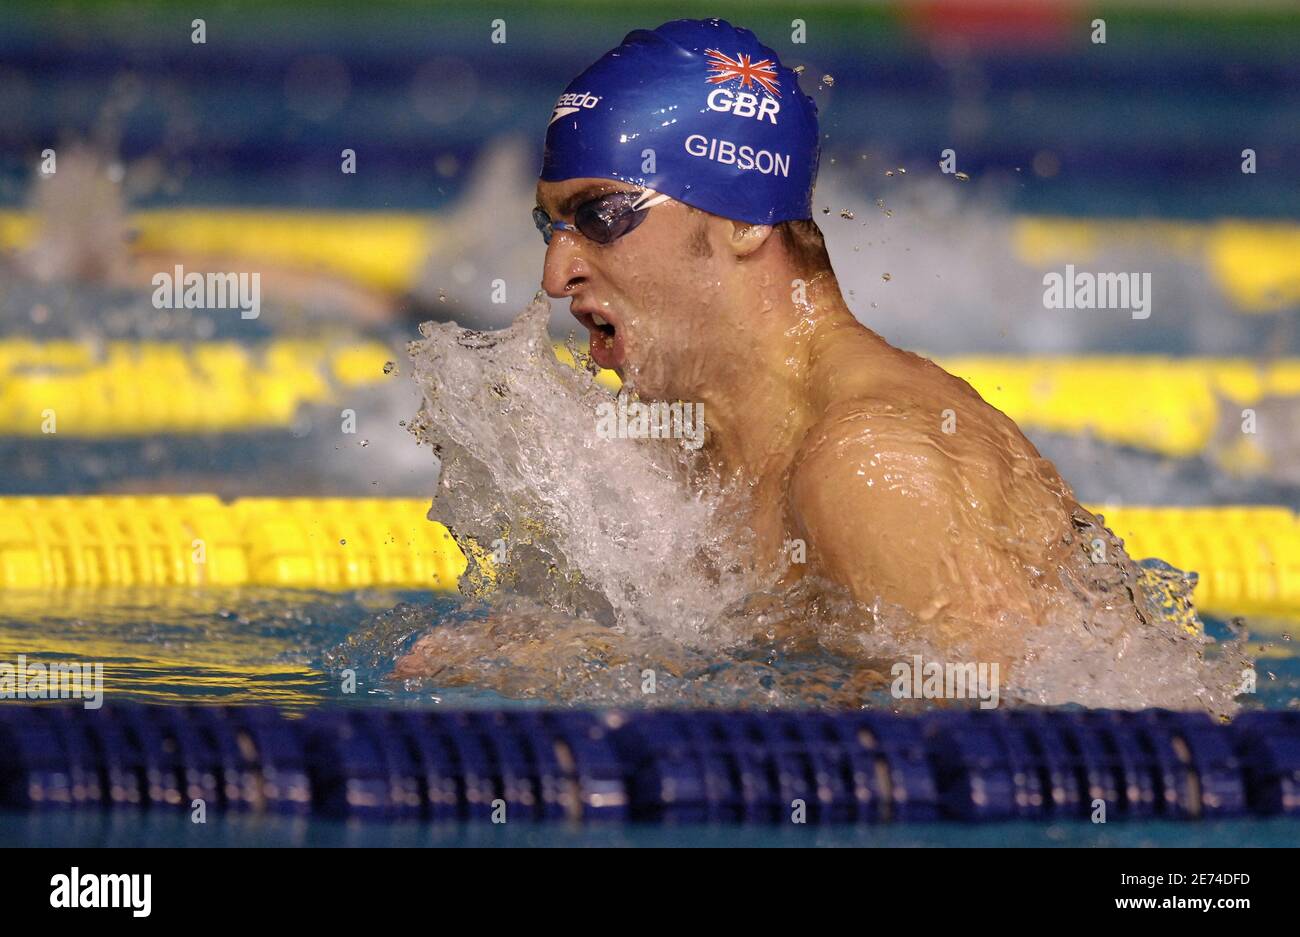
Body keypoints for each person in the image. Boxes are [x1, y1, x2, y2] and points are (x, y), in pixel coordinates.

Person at [528, 17, 1127, 671]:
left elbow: (998, 756)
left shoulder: (870, 467)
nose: (556, 276)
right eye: (550, 225)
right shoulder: (691, 439)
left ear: (743, 219)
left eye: (600, 215)